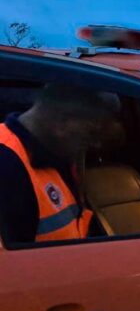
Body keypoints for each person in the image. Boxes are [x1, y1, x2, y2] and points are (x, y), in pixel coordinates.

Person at [0, 84, 122, 243]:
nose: (96, 144)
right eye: (91, 133)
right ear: (61, 122)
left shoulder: (55, 153)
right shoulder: (7, 166)